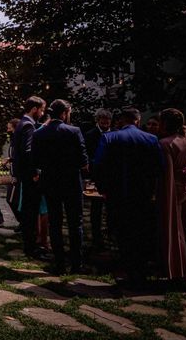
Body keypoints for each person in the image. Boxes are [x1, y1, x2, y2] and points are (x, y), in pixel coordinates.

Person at [95, 107, 163, 287]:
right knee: (141, 232)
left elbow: (98, 165)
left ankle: (125, 269)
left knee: (121, 231)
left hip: (117, 194)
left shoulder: (109, 138)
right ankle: (139, 270)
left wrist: (103, 188)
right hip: (142, 195)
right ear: (138, 121)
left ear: (121, 121)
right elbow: (159, 168)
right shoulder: (151, 139)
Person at [32, 99, 88, 274]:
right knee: (75, 223)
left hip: (50, 181)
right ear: (64, 113)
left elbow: (35, 160)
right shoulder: (74, 131)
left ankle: (60, 264)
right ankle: (77, 264)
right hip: (71, 181)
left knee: (55, 223)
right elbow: (83, 160)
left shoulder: (39, 133)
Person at [157, 108, 186, 290]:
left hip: (176, 189)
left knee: (176, 232)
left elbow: (166, 173)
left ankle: (178, 273)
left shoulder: (165, 143)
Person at [13, 96, 47, 258]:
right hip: (29, 176)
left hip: (23, 175)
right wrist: (34, 172)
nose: (42, 113)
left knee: (28, 211)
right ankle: (31, 248)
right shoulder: (28, 126)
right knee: (31, 212)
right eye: (41, 110)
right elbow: (28, 152)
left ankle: (30, 246)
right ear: (34, 109)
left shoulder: (23, 123)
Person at [84, 108, 112, 249]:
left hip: (110, 176)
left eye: (107, 121)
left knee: (111, 207)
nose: (106, 123)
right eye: (103, 120)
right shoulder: (90, 135)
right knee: (96, 208)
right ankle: (96, 236)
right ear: (98, 120)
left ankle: (110, 233)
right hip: (95, 176)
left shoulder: (114, 134)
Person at [3, 118, 22, 231]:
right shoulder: (14, 140)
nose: (8, 130)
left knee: (12, 200)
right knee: (12, 199)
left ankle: (23, 222)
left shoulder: (19, 140)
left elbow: (19, 156)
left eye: (10, 128)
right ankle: (22, 222)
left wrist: (10, 159)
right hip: (13, 173)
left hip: (17, 175)